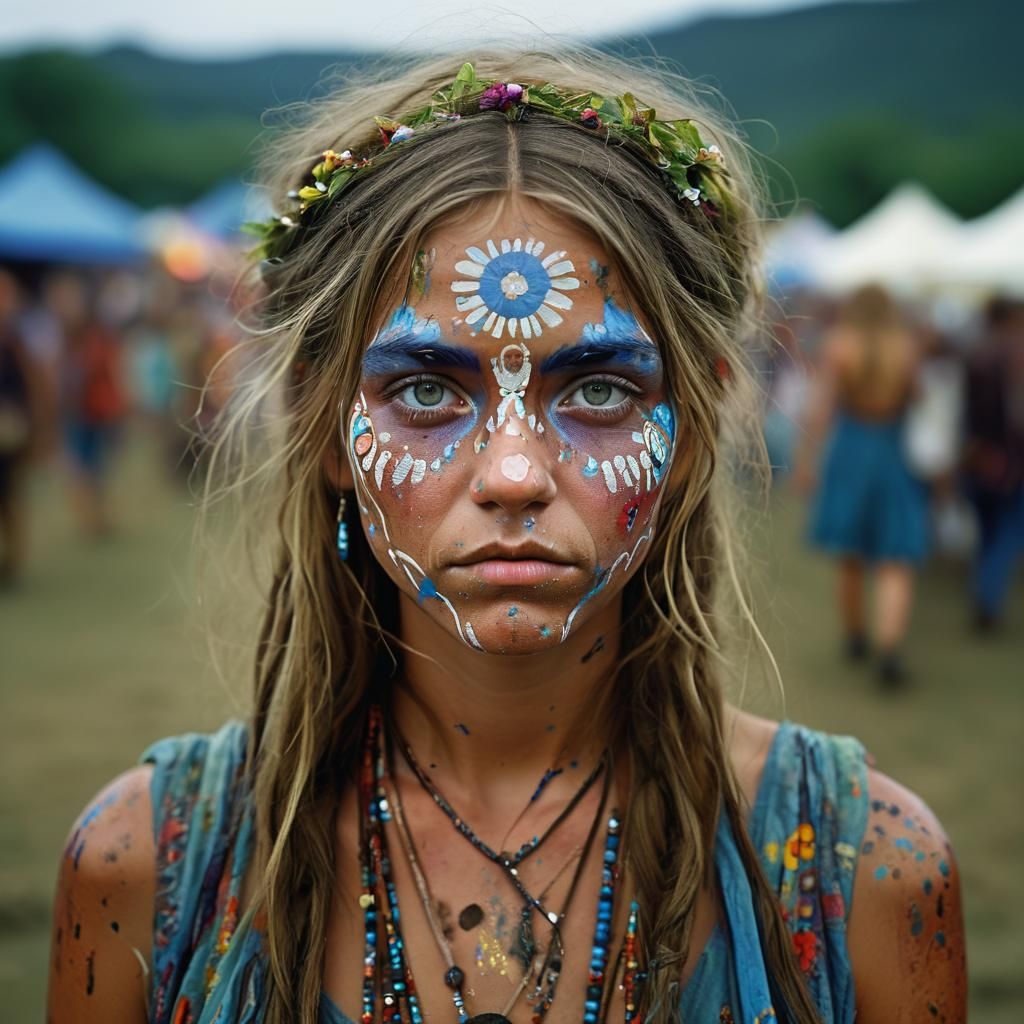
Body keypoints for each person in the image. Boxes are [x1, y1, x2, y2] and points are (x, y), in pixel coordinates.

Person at [46, 52, 965, 1024]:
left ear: (693, 428)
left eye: (600, 389)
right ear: (321, 428)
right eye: (425, 390)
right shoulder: (144, 868)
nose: (515, 474)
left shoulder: (867, 870)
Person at [796, 285, 929, 686]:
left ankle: (855, 637)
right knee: (896, 556)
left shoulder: (839, 344)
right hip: (892, 451)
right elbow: (920, 397)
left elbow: (821, 408)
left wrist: (807, 461)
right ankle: (890, 648)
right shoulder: (905, 347)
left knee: (850, 553)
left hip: (850, 450)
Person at [963, 296, 1024, 630]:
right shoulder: (1013, 356)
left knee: (988, 530)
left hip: (978, 455)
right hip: (1008, 460)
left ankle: (984, 591)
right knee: (1008, 532)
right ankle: (988, 595)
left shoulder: (973, 352)